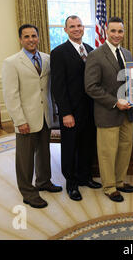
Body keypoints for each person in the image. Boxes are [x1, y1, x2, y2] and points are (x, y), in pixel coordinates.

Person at [2, 24, 62, 209]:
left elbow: (49, 88)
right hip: (26, 118)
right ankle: (28, 192)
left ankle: (44, 181)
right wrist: (20, 120)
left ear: (38, 37)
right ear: (20, 39)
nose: (31, 39)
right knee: (25, 158)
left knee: (44, 152)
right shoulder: (11, 62)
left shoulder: (47, 59)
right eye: (26, 36)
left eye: (34, 36)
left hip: (44, 115)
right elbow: (11, 95)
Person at [50, 15, 101, 202]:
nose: (77, 29)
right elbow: (57, 86)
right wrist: (65, 113)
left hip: (90, 110)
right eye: (72, 26)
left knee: (87, 145)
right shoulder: (59, 52)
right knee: (70, 148)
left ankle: (85, 177)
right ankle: (71, 184)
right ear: (65, 30)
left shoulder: (90, 50)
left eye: (79, 25)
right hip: (71, 112)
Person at [84, 17, 133, 203]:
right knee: (107, 152)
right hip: (108, 111)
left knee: (125, 149)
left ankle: (120, 181)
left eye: (120, 31)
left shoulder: (128, 54)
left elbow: (131, 82)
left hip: (127, 112)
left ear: (123, 32)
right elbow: (91, 87)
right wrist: (115, 102)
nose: (116, 35)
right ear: (106, 31)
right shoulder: (96, 55)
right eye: (113, 31)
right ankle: (109, 187)